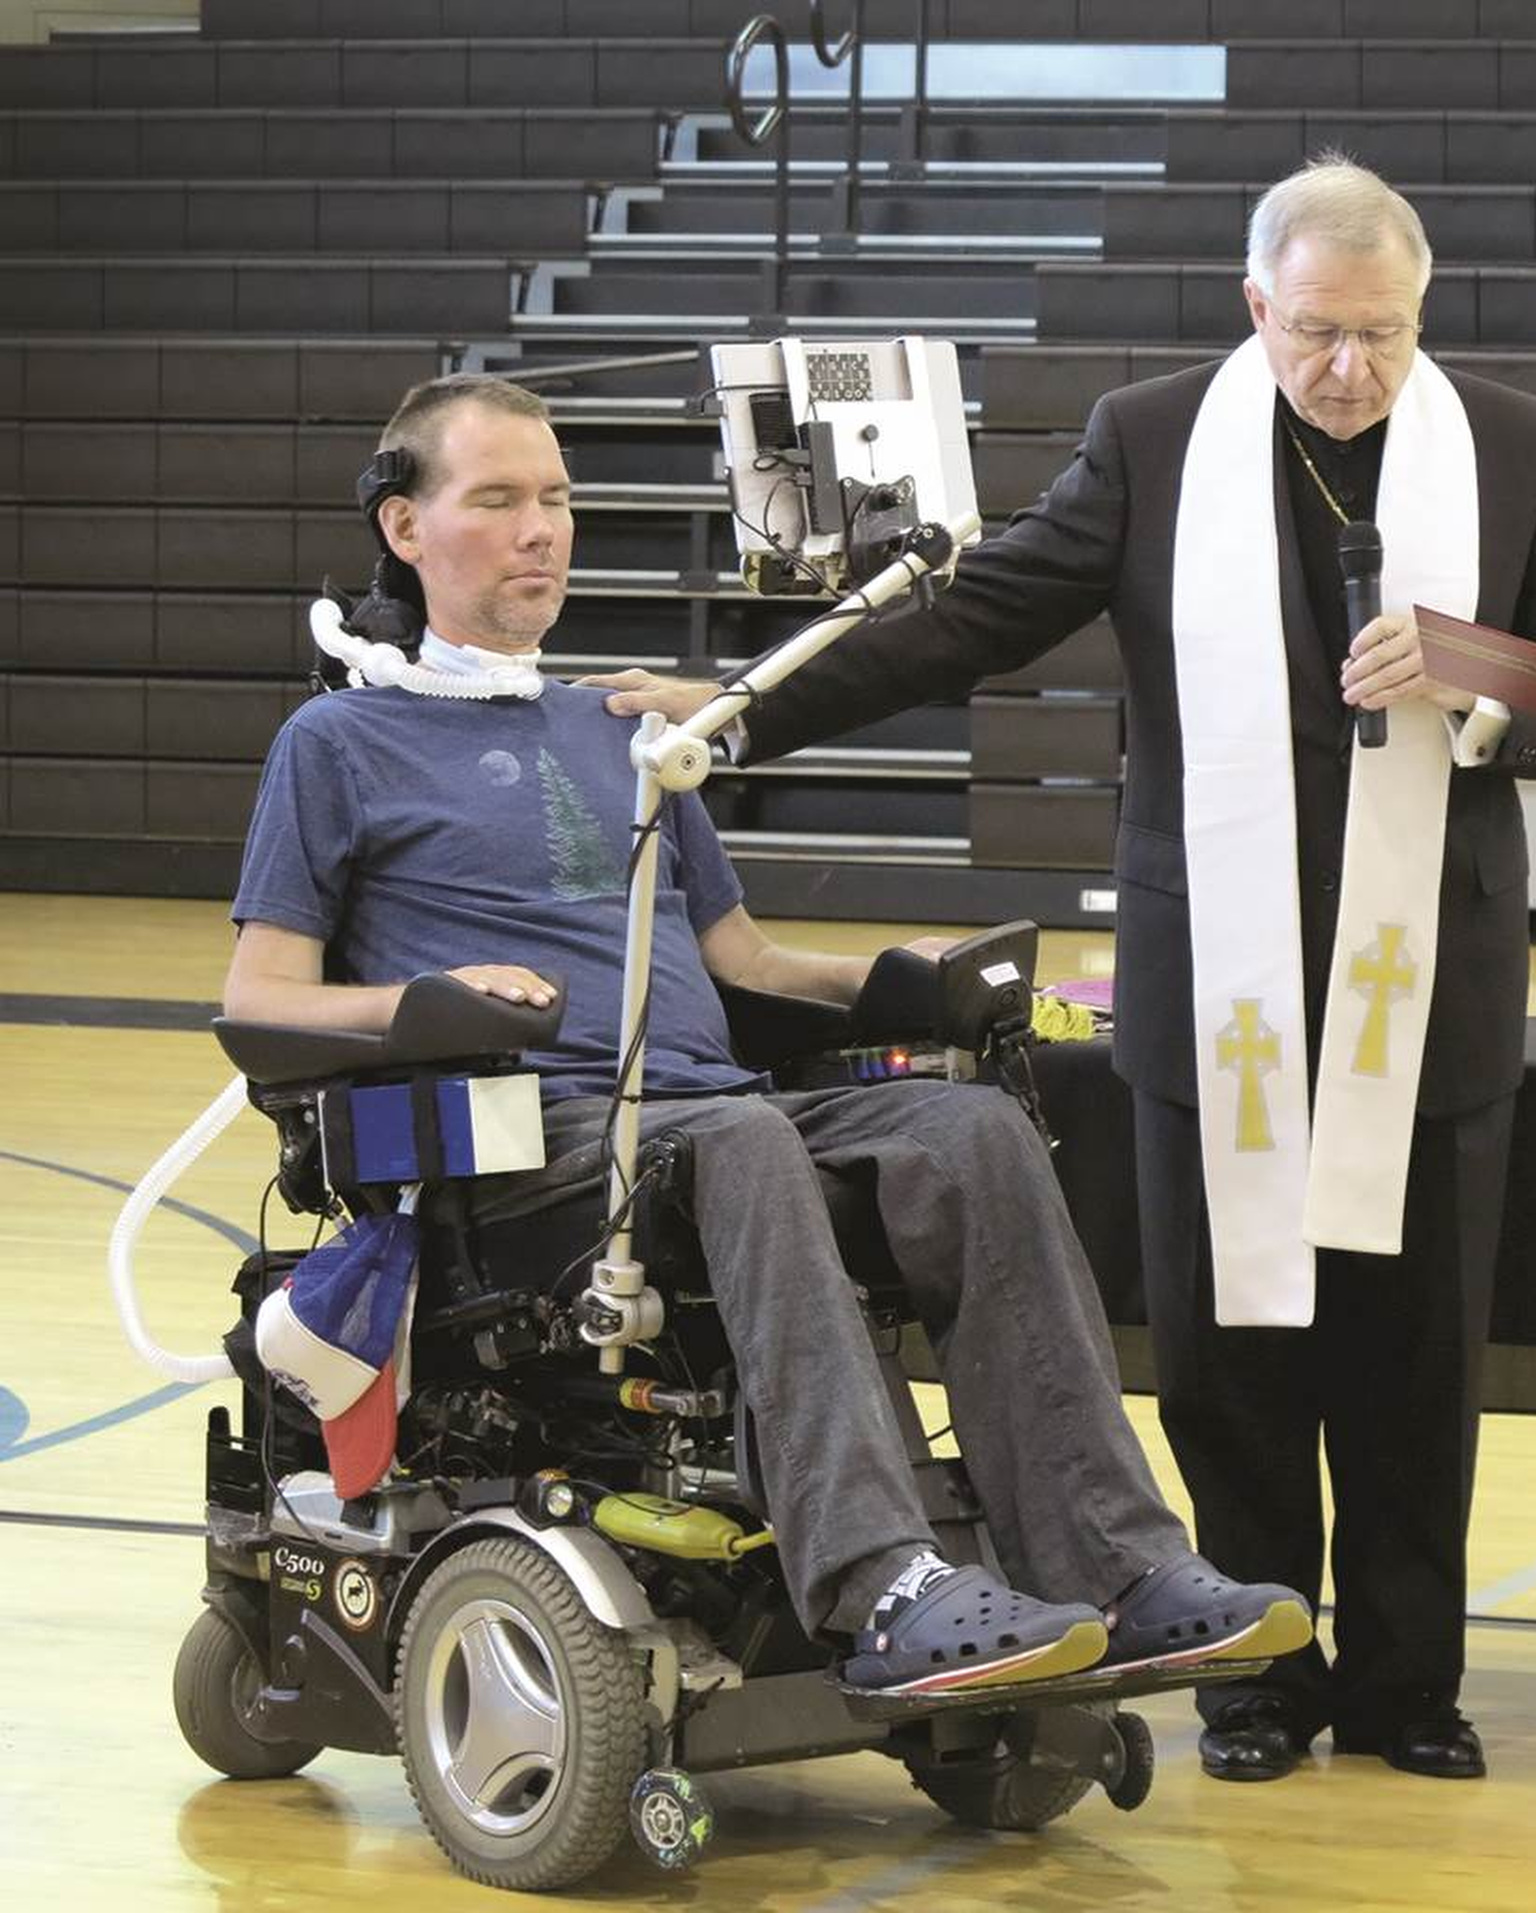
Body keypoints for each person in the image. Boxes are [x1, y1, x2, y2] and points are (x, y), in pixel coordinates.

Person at [596, 159, 1536, 1780]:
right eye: (1319, 334)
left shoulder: (1518, 441)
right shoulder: (1151, 439)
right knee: (1229, 1341)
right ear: (1253, 305)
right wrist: (745, 706)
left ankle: (1413, 1681)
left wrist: (1482, 676)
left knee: (1421, 1348)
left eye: (1386, 336)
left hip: (1432, 971)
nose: (1351, 370)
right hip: (1215, 972)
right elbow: (971, 621)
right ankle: (1257, 1673)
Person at [225, 372, 1312, 1698]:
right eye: (498, 499)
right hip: (534, 1152)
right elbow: (262, 1001)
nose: (541, 530)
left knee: (966, 1127)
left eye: (557, 499)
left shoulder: (629, 732)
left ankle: (1122, 1566)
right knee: (741, 1139)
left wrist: (924, 983)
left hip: (702, 1104)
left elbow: (746, 964)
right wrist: (430, 1006)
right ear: (405, 528)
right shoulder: (335, 741)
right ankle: (886, 1585)